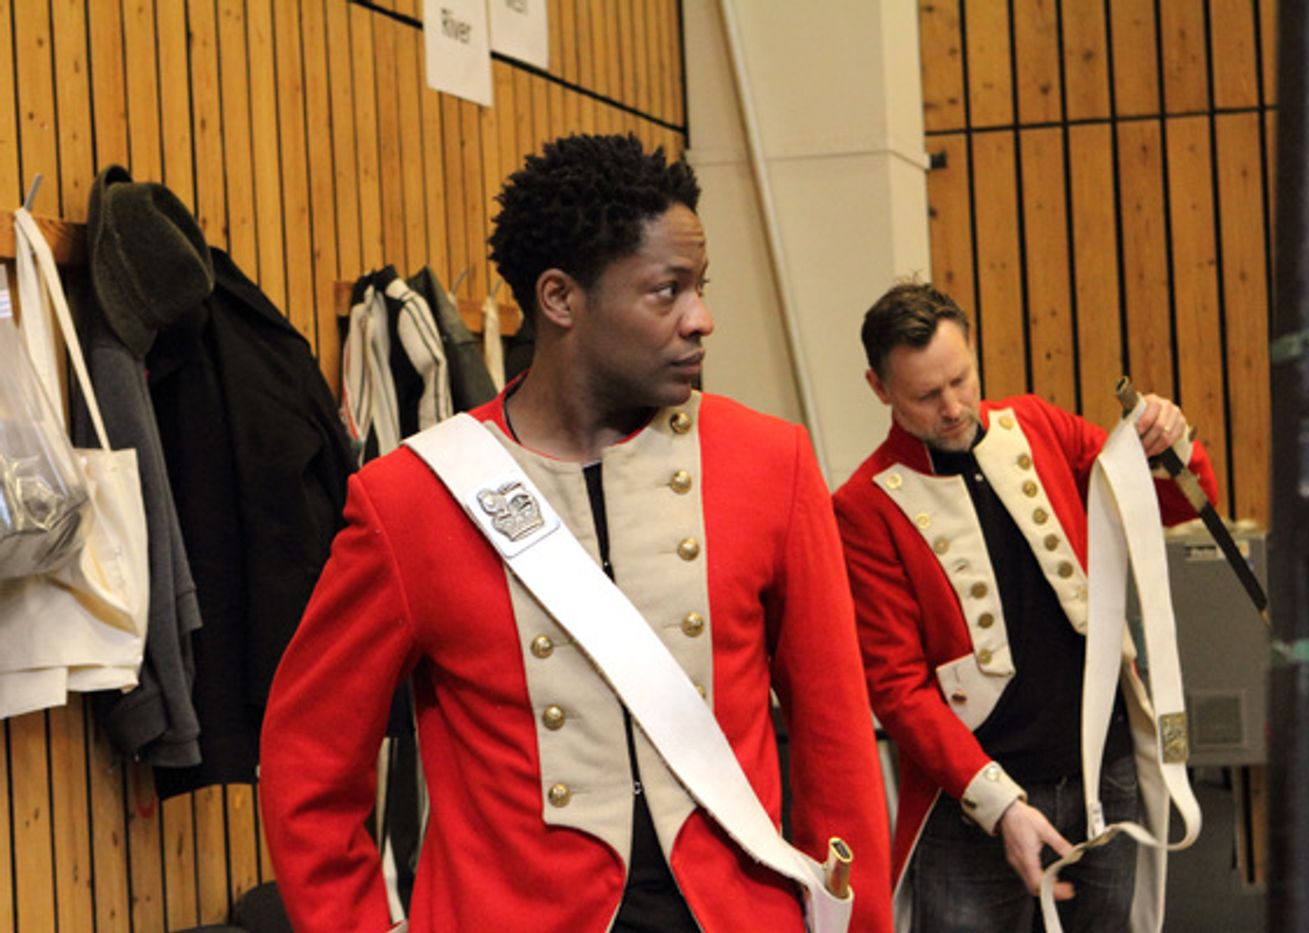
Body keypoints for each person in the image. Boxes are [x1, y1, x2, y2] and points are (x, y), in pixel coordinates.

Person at [260, 134, 892, 932]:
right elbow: (307, 766)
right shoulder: (412, 499)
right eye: (667, 292)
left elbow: (837, 740)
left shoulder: (771, 463)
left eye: (700, 287)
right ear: (560, 299)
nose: (703, 319)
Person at [832, 284, 1216, 932]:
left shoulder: (1038, 424)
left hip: (1104, 766)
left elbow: (1177, 503)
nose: (954, 407)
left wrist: (1170, 440)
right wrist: (1002, 805)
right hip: (973, 801)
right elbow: (898, 691)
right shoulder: (864, 507)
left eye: (961, 379)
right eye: (928, 395)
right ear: (879, 387)